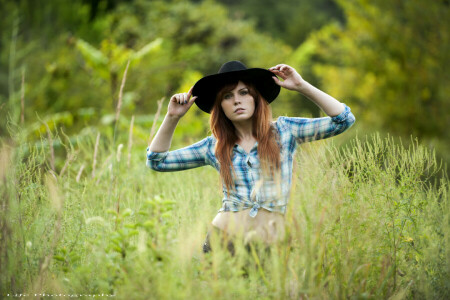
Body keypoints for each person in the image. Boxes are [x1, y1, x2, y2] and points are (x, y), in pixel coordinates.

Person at [146, 61, 355, 255]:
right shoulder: (214, 146)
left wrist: (301, 86)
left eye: (243, 92)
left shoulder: (285, 131)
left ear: (255, 97)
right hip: (224, 243)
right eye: (227, 96)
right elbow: (157, 161)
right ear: (220, 107)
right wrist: (172, 117)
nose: (236, 100)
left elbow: (343, 120)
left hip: (274, 245)